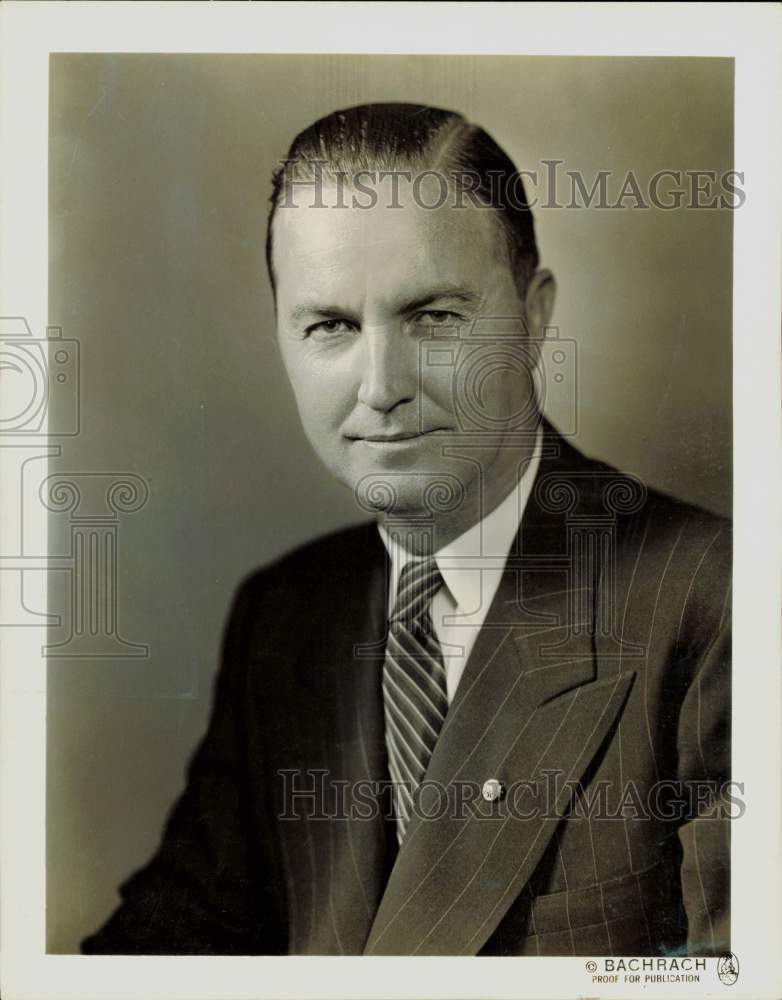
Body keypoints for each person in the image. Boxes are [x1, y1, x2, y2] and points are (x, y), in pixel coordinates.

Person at [82, 103, 731, 957]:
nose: (380, 385)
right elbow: (169, 946)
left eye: (433, 317)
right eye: (331, 327)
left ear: (533, 319)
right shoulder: (286, 617)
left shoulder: (719, 600)